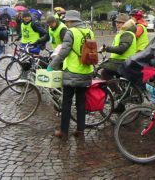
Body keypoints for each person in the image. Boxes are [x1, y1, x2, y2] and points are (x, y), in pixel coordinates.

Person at [47, 10, 95, 138]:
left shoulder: (71, 32)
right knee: (81, 102)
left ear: (71, 21)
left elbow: (64, 52)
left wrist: (52, 66)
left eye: (67, 21)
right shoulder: (89, 31)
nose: (66, 23)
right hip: (86, 71)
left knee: (66, 102)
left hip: (72, 72)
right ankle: (80, 131)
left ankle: (63, 131)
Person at [99, 13, 137, 80]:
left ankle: (115, 91)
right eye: (117, 22)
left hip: (123, 63)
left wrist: (106, 48)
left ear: (126, 24)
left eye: (120, 23)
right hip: (118, 62)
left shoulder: (127, 33)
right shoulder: (121, 33)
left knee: (105, 73)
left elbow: (121, 49)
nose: (117, 24)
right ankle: (117, 90)